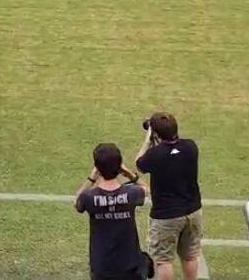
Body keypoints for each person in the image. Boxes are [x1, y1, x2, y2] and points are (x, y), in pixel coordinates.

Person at [135, 112, 203, 280]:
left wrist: (148, 140)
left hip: (166, 216)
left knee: (163, 260)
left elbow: (139, 163)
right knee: (190, 255)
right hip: (193, 211)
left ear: (156, 134)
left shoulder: (155, 155)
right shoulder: (191, 147)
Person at [75, 143, 151, 280]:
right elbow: (146, 188)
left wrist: (91, 178)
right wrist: (129, 174)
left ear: (97, 168)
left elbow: (77, 202)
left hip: (102, 266)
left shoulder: (89, 197)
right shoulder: (132, 193)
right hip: (130, 265)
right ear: (119, 166)